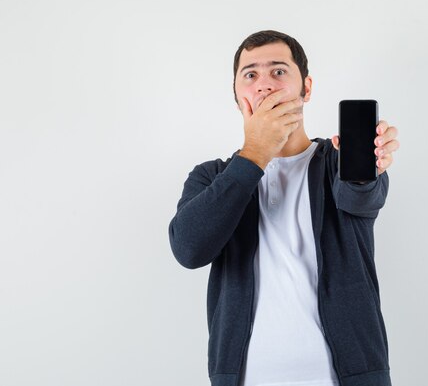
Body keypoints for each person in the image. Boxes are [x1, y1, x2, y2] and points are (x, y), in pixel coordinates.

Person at [169, 30, 399, 386]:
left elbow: (362, 197)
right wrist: (255, 154)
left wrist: (369, 170)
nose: (264, 85)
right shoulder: (212, 177)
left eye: (278, 72)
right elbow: (189, 249)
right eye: (250, 75)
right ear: (237, 95)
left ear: (306, 88)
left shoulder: (338, 164)